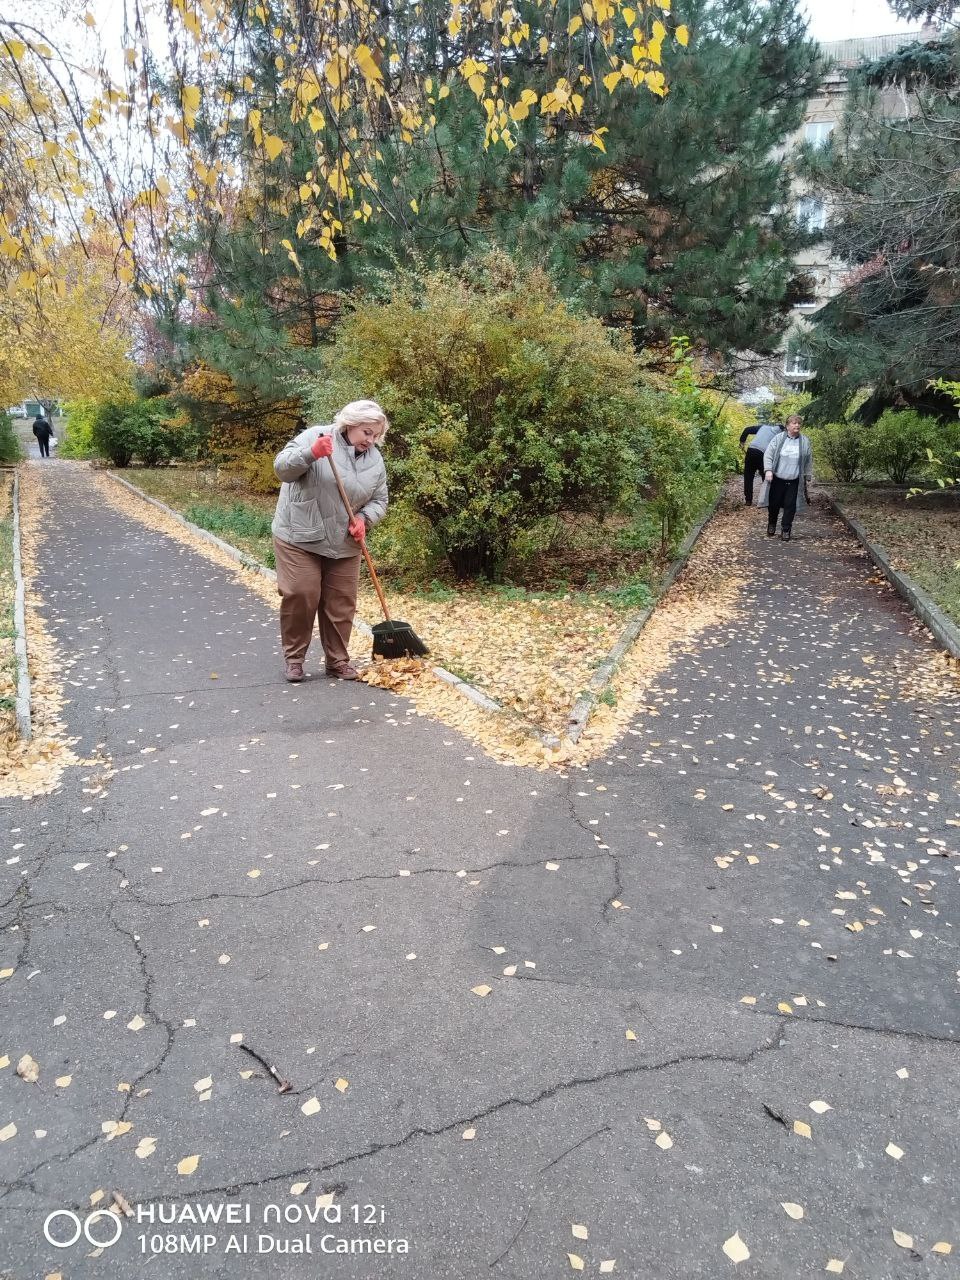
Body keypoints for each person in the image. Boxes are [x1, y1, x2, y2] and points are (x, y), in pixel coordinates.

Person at [272, 400, 389, 682]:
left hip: (344, 541)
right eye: (366, 432)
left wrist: (364, 519)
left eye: (375, 434)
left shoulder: (375, 459)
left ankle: (337, 661)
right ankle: (295, 659)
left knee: (341, 602)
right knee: (302, 593)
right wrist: (311, 454)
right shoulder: (316, 436)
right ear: (350, 425)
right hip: (300, 534)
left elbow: (380, 500)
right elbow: (282, 469)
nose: (370, 440)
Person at [757, 413, 813, 541]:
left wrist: (808, 476)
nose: (797, 425)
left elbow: (809, 459)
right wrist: (768, 470)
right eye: (794, 423)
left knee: (790, 505)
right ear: (787, 426)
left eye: (799, 423)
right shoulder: (778, 438)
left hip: (794, 479)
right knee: (774, 504)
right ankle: (771, 524)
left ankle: (786, 529)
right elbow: (768, 455)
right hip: (777, 478)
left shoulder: (804, 441)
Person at [739, 417, 783, 505]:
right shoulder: (780, 436)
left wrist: (742, 442)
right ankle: (766, 499)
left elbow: (747, 429)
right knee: (766, 476)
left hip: (751, 450)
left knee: (748, 476)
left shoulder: (763, 427)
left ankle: (748, 500)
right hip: (763, 454)